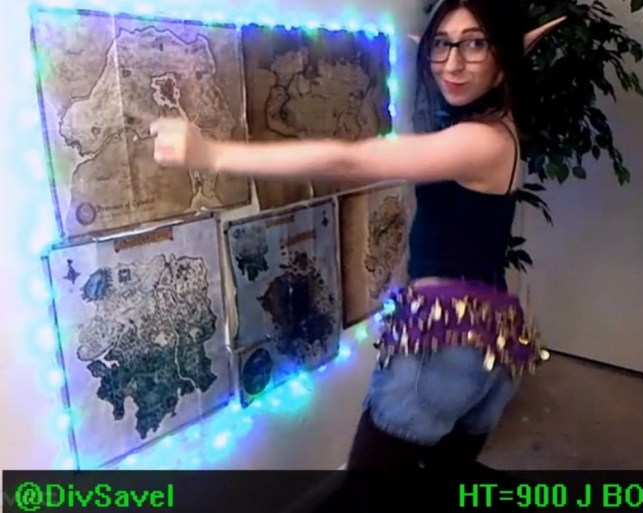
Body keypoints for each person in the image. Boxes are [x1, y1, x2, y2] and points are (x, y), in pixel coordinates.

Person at [151, 0, 563, 472]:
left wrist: (212, 154)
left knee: (369, 490)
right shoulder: (503, 130)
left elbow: (350, 161)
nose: (452, 63)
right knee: (443, 481)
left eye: (474, 45)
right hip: (494, 343)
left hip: (444, 349)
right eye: (441, 44)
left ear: (504, 56)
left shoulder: (478, 141)